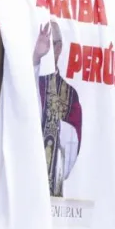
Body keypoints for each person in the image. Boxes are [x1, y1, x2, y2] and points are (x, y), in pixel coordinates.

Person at [33, 20, 83, 197]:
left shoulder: (69, 95)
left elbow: (74, 146)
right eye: (38, 42)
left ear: (59, 48)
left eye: (48, 42)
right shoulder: (29, 80)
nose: (42, 47)